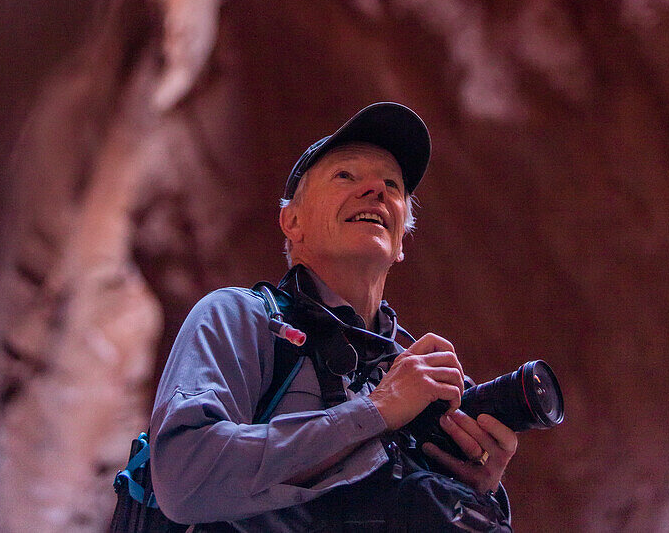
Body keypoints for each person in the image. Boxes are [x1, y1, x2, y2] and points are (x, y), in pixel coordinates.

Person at [149, 103, 518, 530]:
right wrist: (377, 410)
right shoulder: (242, 319)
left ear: (401, 243)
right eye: (346, 175)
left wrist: (482, 492)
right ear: (292, 221)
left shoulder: (421, 375)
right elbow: (184, 479)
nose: (376, 190)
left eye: (393, 186)